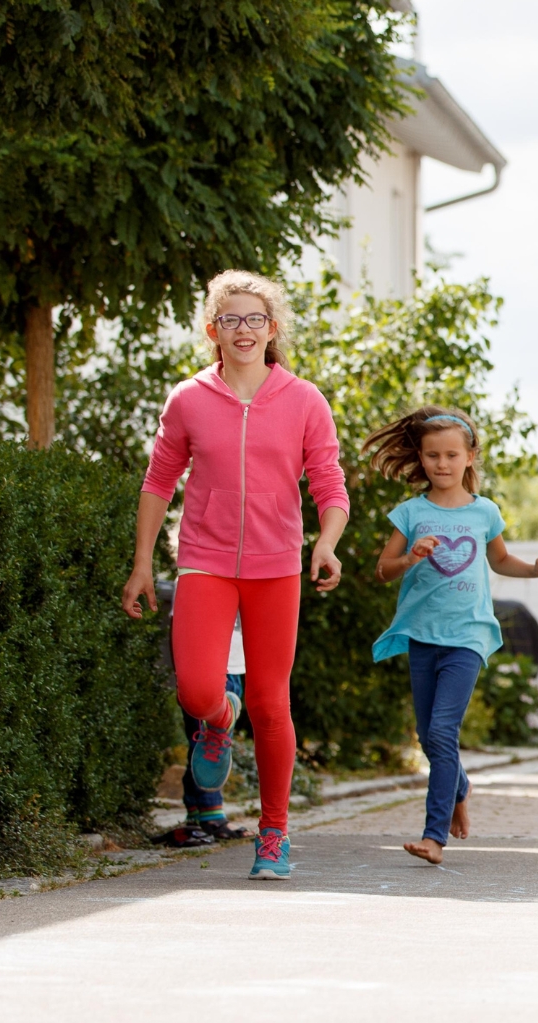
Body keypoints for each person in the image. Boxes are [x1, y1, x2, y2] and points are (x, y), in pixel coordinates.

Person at [122, 269, 350, 881]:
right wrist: (144, 563)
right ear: (212, 331)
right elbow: (158, 482)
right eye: (231, 320)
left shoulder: (304, 400)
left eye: (254, 319)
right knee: (197, 689)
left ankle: (272, 836)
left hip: (277, 565)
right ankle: (220, 721)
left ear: (272, 328)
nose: (243, 330)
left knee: (272, 703)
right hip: (205, 559)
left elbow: (329, 484)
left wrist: (325, 544)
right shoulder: (189, 399)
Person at [366, 406, 538, 866]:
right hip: (421, 634)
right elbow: (382, 570)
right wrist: (411, 557)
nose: (441, 464)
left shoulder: (484, 512)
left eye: (451, 454)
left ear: (470, 456)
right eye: (432, 455)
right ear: (420, 456)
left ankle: (433, 837)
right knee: (427, 735)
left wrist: (537, 570)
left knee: (441, 731)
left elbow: (500, 561)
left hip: (468, 637)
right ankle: (459, 784)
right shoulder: (410, 513)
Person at [158, 576, 250, 847]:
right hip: (202, 669)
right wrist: (182, 674)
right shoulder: (194, 572)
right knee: (206, 741)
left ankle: (199, 815)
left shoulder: (250, 570)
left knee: (208, 743)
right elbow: (177, 624)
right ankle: (210, 814)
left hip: (233, 667)